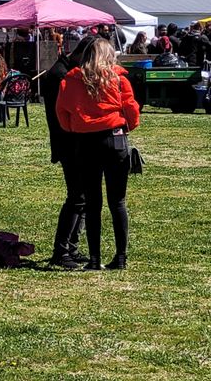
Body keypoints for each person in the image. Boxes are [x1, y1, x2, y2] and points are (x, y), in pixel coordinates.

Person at [56, 38, 140, 270]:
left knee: (93, 203)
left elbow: (62, 113)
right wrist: (128, 126)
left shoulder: (71, 80)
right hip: (115, 138)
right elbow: (132, 110)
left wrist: (76, 127)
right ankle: (120, 257)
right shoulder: (119, 79)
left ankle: (94, 259)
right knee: (118, 201)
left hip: (86, 142)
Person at [42, 35, 97, 269]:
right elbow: (66, 114)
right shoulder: (60, 76)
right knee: (76, 197)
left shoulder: (64, 71)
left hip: (73, 141)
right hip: (69, 142)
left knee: (82, 197)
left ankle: (71, 247)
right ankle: (61, 250)